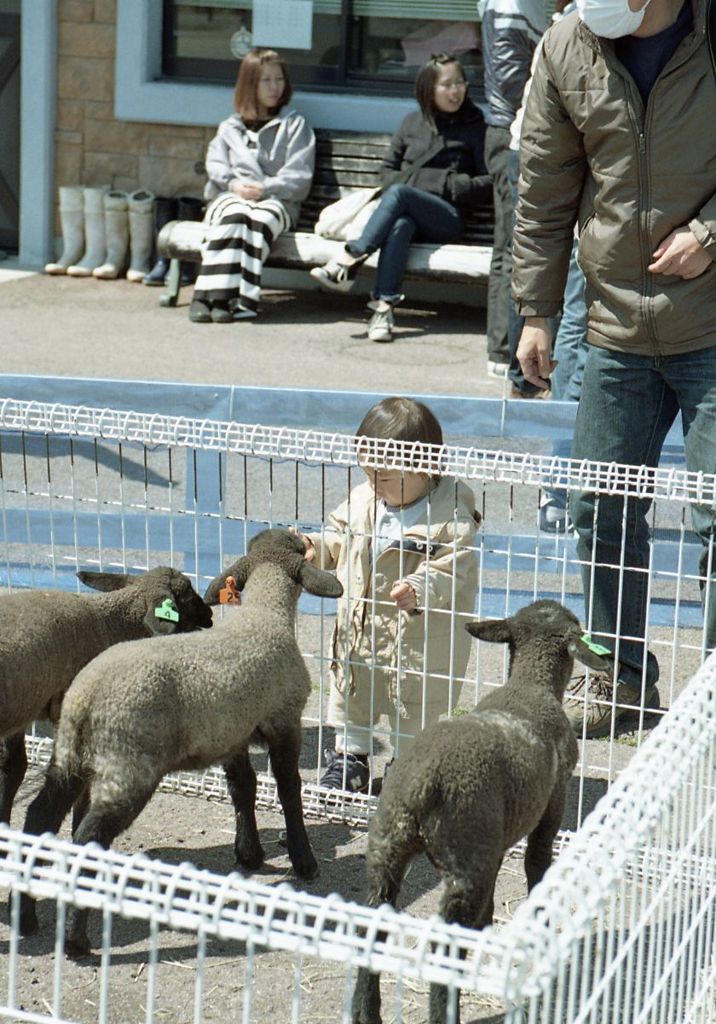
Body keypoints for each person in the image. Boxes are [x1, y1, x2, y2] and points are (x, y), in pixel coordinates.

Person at [512, 0, 716, 737]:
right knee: (601, 508)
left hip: (712, 324)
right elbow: (543, 184)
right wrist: (535, 311)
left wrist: (709, 234)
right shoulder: (568, 43)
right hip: (614, 327)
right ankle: (621, 683)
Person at [293, 397, 480, 792]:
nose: (374, 483)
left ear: (426, 467)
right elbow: (339, 538)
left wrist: (420, 587)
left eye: (385, 476)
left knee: (417, 703)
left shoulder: (451, 510)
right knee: (352, 693)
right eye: (368, 472)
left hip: (418, 635)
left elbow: (455, 563)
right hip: (362, 625)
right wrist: (316, 547)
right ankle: (349, 759)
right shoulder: (365, 499)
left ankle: (407, 766)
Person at [309, 52, 491, 344]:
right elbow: (387, 172)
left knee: (400, 193)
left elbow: (489, 180)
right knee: (399, 225)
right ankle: (383, 308)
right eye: (446, 85)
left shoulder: (475, 126)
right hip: (409, 214)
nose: (455, 90)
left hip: (448, 217)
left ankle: (350, 258)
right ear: (428, 90)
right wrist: (422, 183)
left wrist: (448, 184)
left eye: (460, 83)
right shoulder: (411, 123)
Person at [189, 48, 315, 323]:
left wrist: (265, 188)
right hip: (230, 195)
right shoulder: (230, 128)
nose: (274, 87)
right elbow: (216, 165)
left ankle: (229, 298)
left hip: (277, 201)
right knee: (235, 215)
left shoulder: (294, 125)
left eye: (279, 79)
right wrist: (234, 185)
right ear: (250, 84)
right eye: (266, 80)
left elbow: (299, 176)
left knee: (257, 219)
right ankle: (213, 297)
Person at [480, 0, 547, 378]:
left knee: (508, 247)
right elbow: (512, 87)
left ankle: (503, 351)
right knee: (513, 249)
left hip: (506, 131)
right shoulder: (512, 8)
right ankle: (507, 355)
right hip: (511, 133)